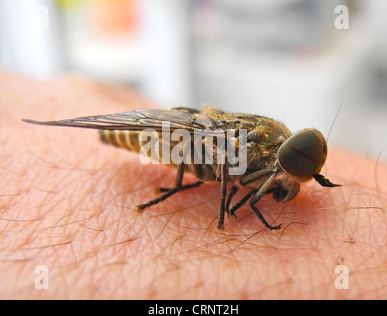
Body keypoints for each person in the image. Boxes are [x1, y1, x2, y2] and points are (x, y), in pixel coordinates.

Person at [0, 72, 385, 299]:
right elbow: (220, 163)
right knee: (204, 149)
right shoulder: (256, 150)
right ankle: (174, 190)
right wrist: (220, 214)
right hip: (173, 138)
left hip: (196, 135)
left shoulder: (273, 155)